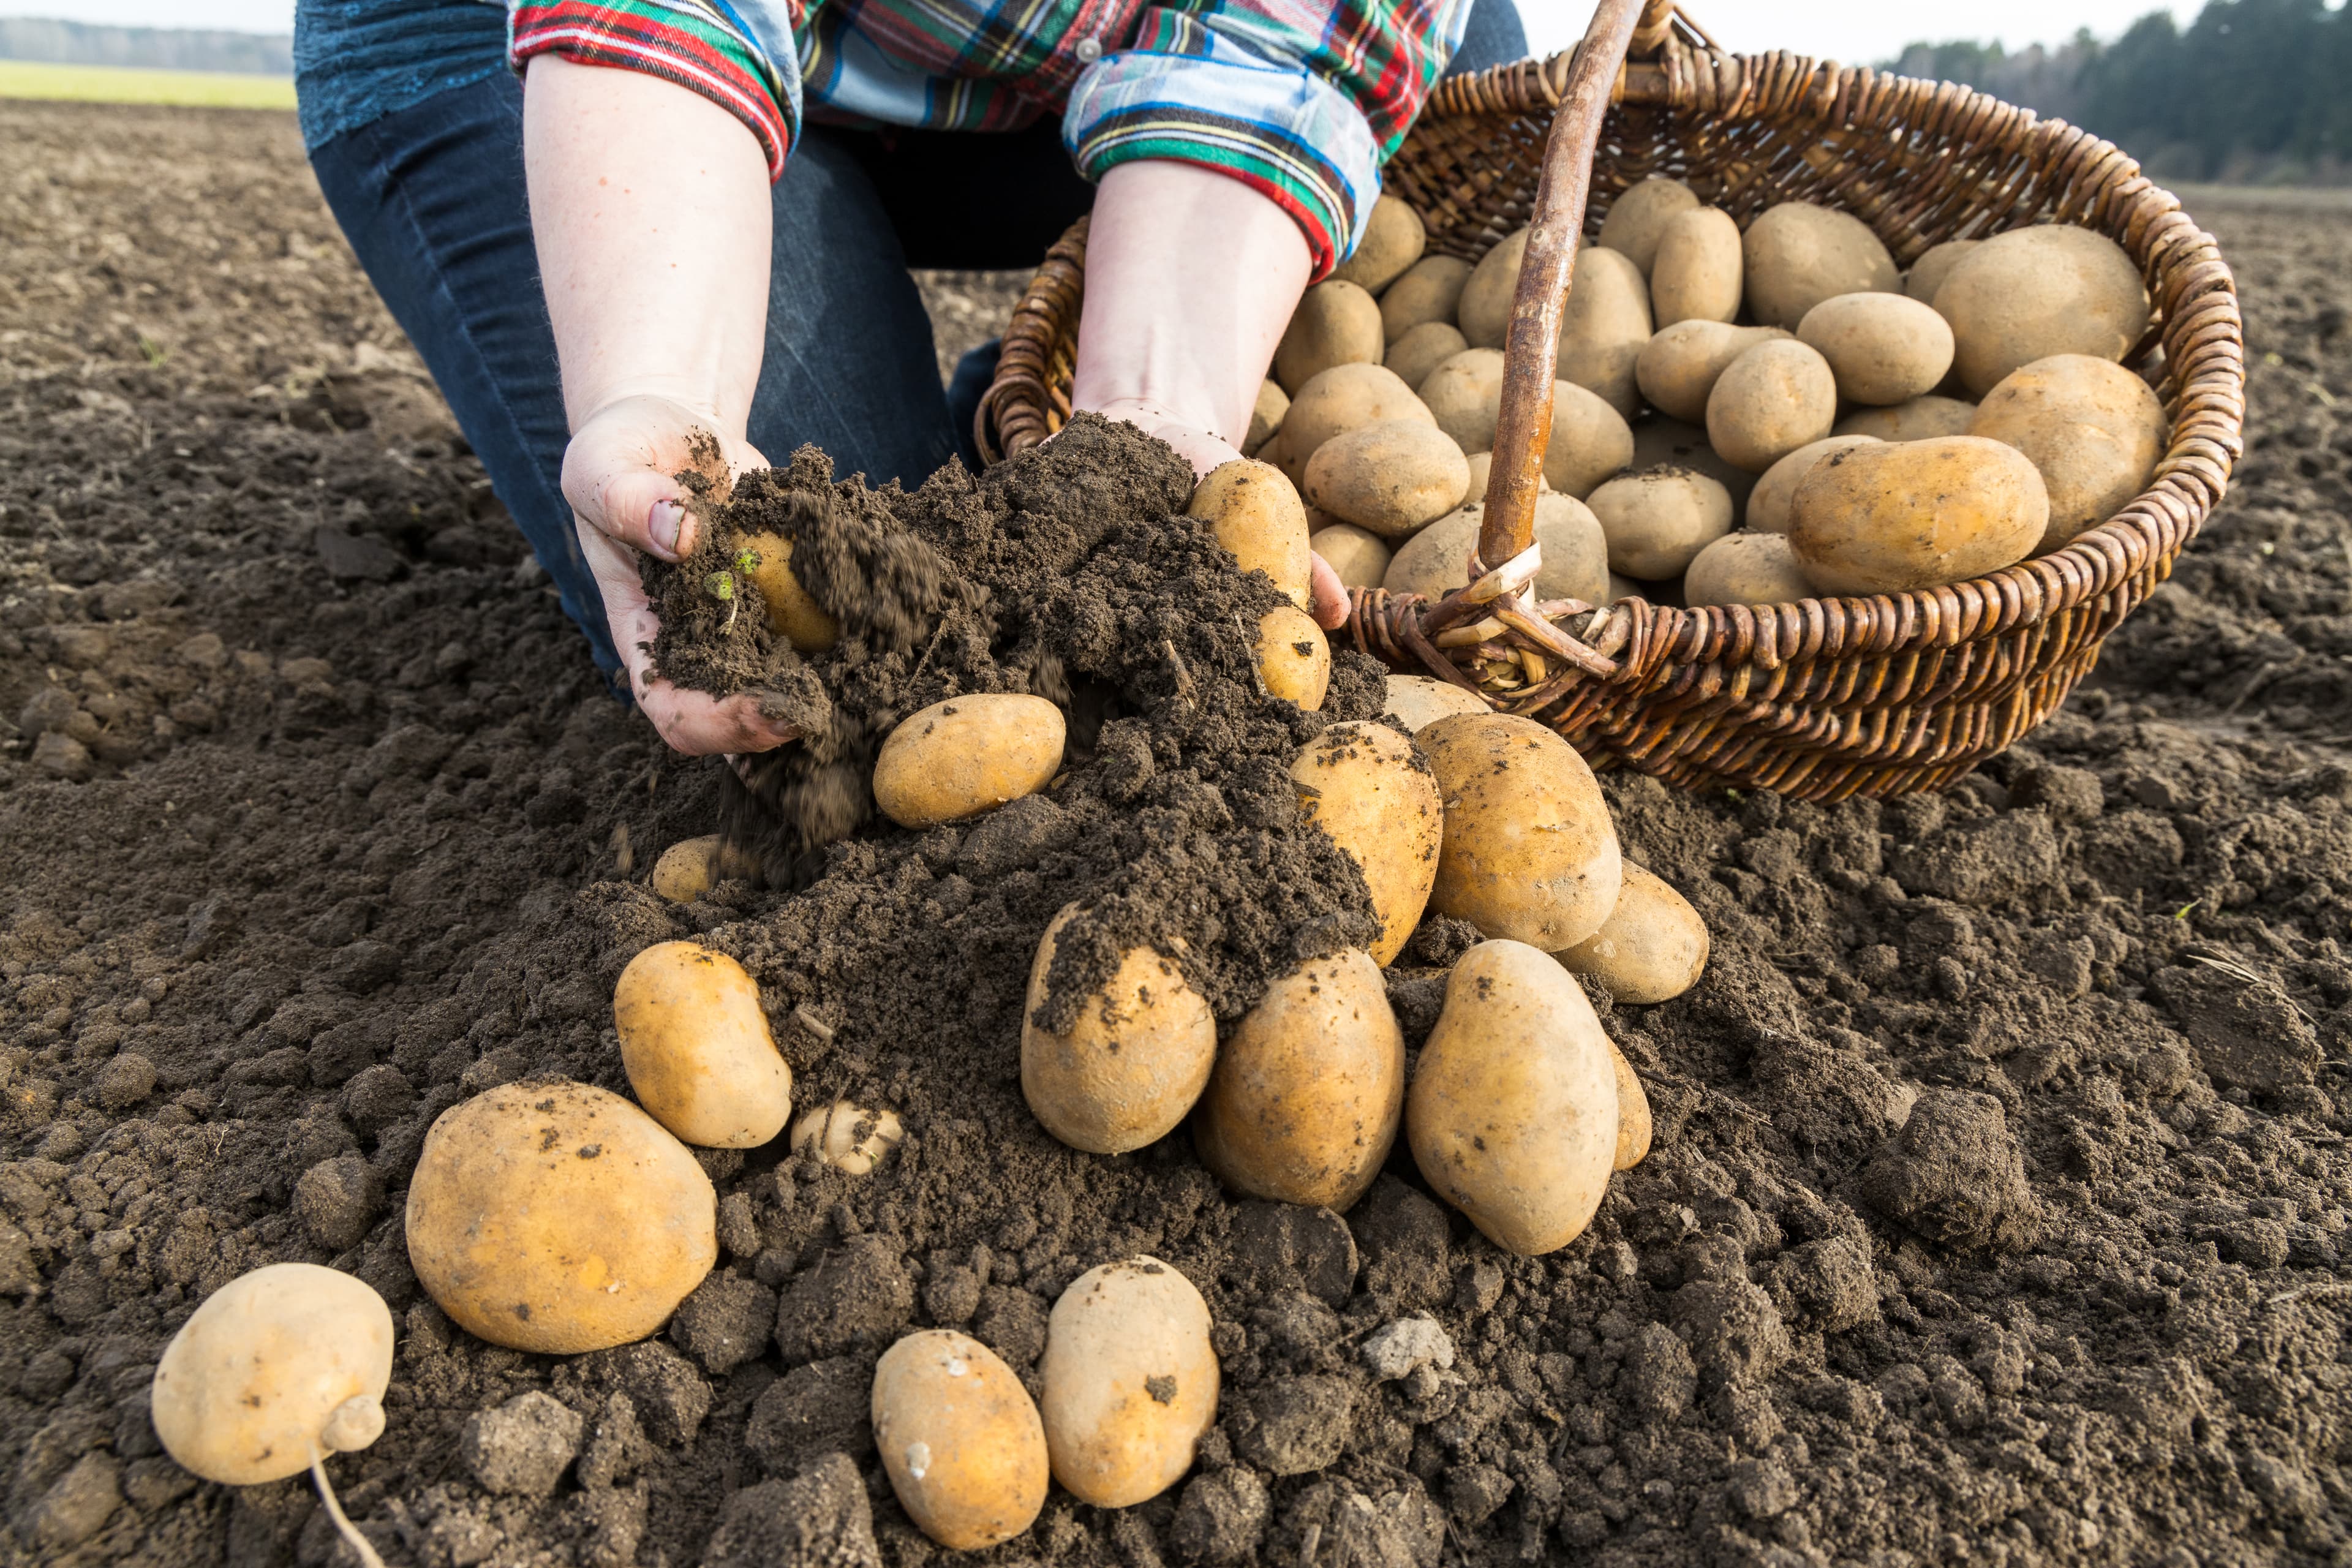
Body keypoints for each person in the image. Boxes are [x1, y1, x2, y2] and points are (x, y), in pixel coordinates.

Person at [295, 0, 1527, 756]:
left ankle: (1015, 407)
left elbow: (1274, 48)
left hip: (1015, 65)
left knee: (1481, 52)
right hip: (563, 36)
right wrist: (659, 380)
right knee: (836, 640)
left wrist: (1147, 427)